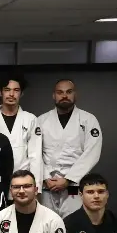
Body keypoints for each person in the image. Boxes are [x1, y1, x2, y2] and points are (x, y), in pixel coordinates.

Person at [38, 80, 102, 218]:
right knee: (46, 225)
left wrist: (68, 179)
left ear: (75, 95)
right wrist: (45, 177)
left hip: (73, 186)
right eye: (60, 92)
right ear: (53, 95)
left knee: (73, 225)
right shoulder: (41, 121)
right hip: (47, 185)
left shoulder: (88, 120)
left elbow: (92, 153)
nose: (64, 96)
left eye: (69, 92)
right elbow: (34, 152)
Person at [0, 75, 43, 191]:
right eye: (7, 90)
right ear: (0, 93)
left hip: (23, 182)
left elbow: (35, 156)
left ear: (21, 93)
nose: (11, 94)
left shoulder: (30, 119)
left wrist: (37, 187)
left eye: (16, 90)